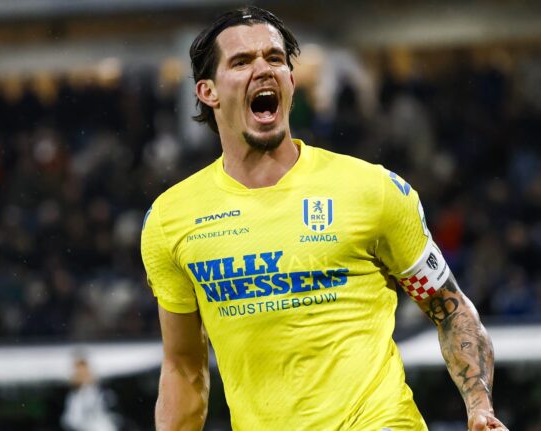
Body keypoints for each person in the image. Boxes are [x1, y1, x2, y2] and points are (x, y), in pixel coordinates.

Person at [140, 6, 507, 430]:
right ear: (208, 91)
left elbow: (450, 308)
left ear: (292, 82)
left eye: (275, 59)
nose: (263, 69)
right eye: (241, 62)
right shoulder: (172, 219)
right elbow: (184, 365)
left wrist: (480, 405)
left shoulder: (372, 190)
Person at [60, 356, 118, 431]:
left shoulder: (102, 391)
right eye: (79, 372)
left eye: (84, 371)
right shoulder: (73, 396)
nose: (82, 374)